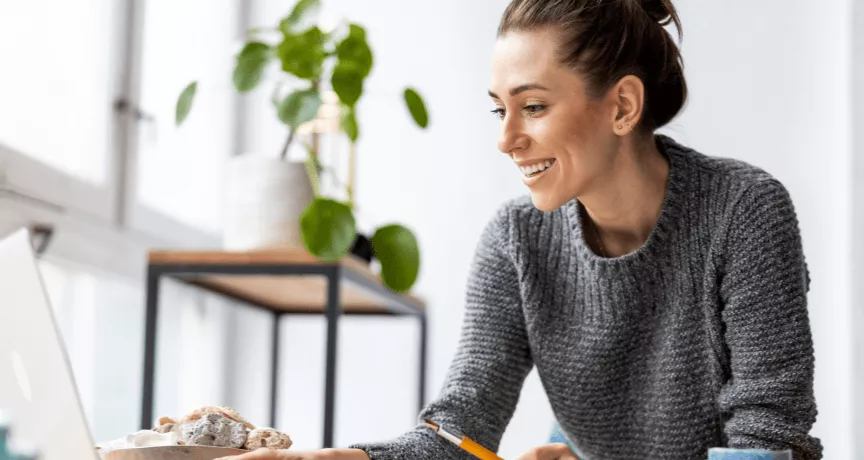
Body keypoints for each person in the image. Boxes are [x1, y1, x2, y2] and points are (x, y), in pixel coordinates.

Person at [219, 0, 823, 458]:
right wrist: (349, 458)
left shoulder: (743, 210)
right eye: (498, 108)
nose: (506, 139)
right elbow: (463, 425)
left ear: (622, 106)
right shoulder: (515, 240)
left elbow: (768, 433)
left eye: (532, 107)